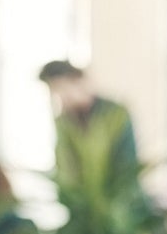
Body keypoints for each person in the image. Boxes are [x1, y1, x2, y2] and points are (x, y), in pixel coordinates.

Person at [36, 60, 140, 191]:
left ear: (77, 80)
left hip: (120, 196)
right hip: (82, 200)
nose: (61, 97)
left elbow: (127, 164)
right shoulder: (64, 122)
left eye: (62, 88)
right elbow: (64, 167)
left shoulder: (115, 113)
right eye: (54, 91)